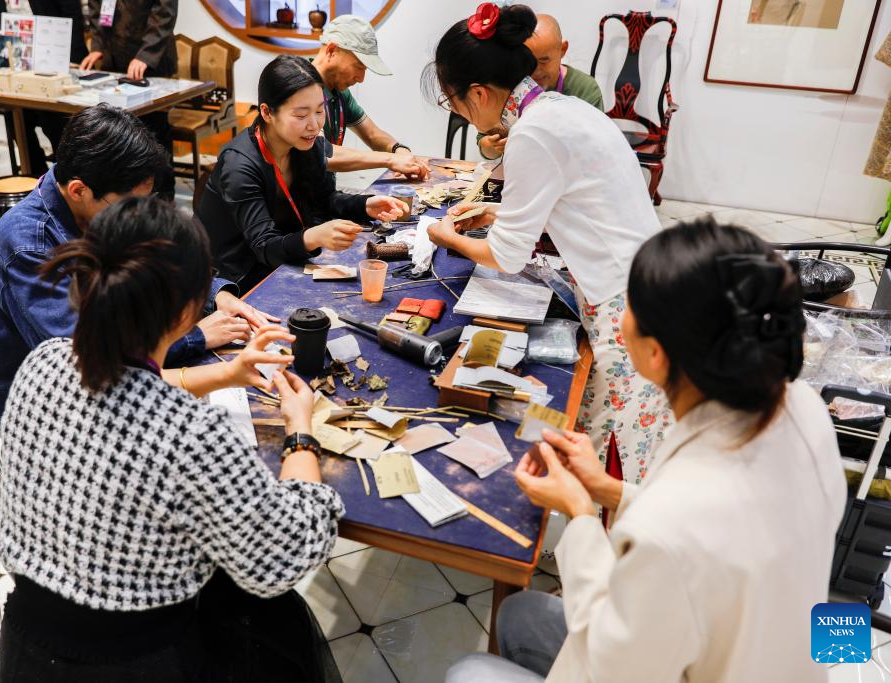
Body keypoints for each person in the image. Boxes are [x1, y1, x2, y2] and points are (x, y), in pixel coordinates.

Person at [446, 218, 846, 683]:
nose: (618, 317)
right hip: (766, 653)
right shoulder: (802, 408)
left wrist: (579, 514)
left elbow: (612, 665)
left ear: (656, 353)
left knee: (467, 672)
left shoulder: (670, 529)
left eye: (628, 304)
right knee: (521, 614)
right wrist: (608, 489)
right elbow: (713, 534)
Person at [0, 195, 344, 682]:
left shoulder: (44, 362)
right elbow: (284, 554)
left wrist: (226, 374)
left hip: (29, 648)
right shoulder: (192, 433)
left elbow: (129, 388)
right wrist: (300, 430)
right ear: (187, 314)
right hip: (137, 665)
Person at [425, 3, 670, 482]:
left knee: (611, 454)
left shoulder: (533, 133)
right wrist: (500, 213)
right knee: (601, 434)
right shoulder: (561, 109)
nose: (457, 112)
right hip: (646, 281)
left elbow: (505, 256)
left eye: (452, 101)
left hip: (628, 307)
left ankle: (599, 526)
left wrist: (444, 235)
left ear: (478, 93)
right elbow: (575, 202)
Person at [0, 104, 277, 427]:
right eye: (130, 203)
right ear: (79, 190)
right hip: (50, 413)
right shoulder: (26, 244)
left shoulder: (102, 204)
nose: (138, 214)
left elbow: (168, 256)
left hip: (119, 379)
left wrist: (214, 295)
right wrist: (196, 335)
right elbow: (91, 356)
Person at [198, 55, 406, 293]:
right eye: (300, 115)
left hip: (282, 260)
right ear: (267, 112)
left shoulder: (306, 145)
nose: (315, 125)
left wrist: (365, 205)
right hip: (233, 278)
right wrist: (313, 237)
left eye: (319, 111)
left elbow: (324, 200)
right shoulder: (239, 165)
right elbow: (264, 245)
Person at [312, 15, 429, 180]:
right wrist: (390, 160)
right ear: (331, 51)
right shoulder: (303, 88)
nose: (361, 78)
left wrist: (400, 151)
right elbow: (323, 152)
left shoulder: (340, 93)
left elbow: (372, 134)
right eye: (359, 66)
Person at [0, 0, 89, 172]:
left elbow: (71, 12)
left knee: (55, 123)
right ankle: (36, 176)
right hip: (12, 62)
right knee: (15, 119)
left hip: (53, 55)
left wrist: (73, 59)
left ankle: (65, 175)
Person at [477, 13, 604, 160]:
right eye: (526, 61)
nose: (535, 71)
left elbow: (595, 147)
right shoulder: (510, 86)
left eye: (544, 61)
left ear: (562, 50)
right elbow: (485, 140)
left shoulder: (584, 89)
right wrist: (489, 147)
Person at [80, 0, 178, 148]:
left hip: (152, 59)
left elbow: (164, 13)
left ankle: (158, 164)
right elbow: (97, 8)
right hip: (114, 57)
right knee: (115, 129)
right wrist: (98, 45)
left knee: (152, 131)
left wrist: (146, 55)